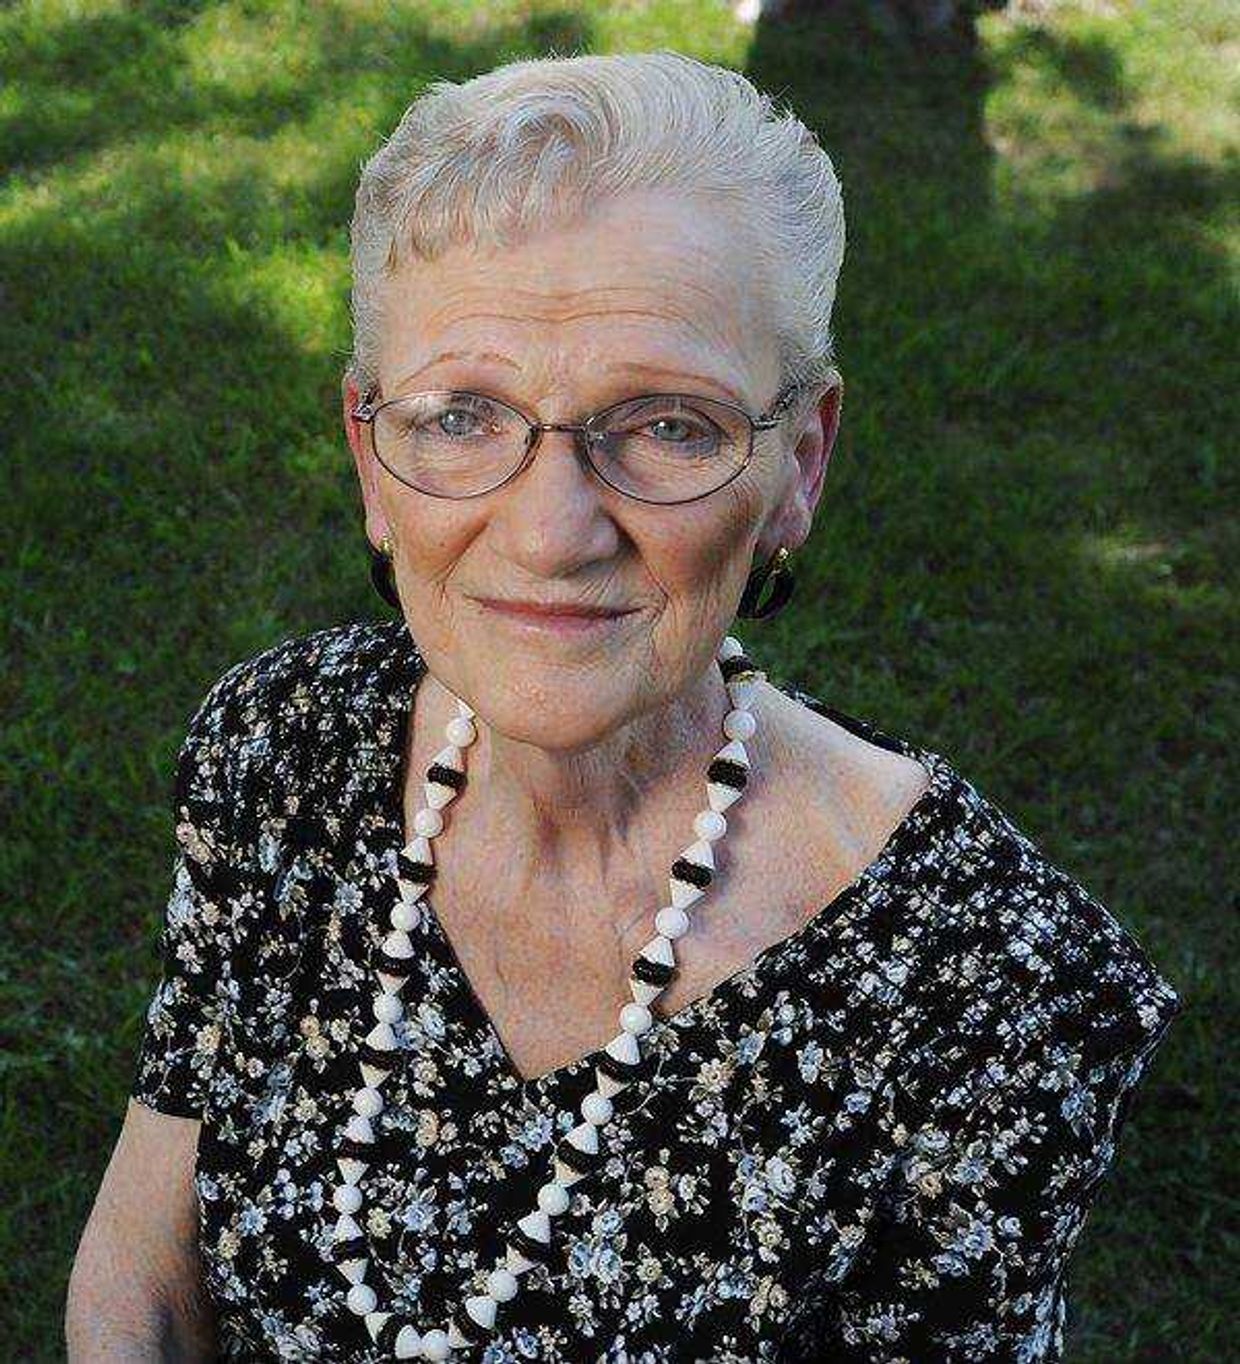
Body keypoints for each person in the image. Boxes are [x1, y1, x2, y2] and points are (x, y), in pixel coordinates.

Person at [67, 50, 1179, 1363]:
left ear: (799, 466)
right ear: (371, 455)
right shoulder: (280, 748)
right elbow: (145, 1259)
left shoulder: (992, 989)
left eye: (666, 425)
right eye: (463, 414)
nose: (549, 533)